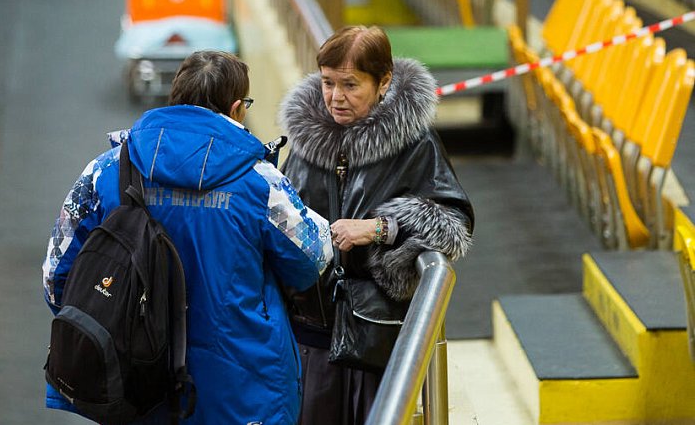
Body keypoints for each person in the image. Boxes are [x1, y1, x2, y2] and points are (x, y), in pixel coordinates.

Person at [41, 50, 334, 424]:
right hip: (242, 391)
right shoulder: (261, 183)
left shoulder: (106, 171)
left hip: (133, 389)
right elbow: (313, 259)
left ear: (174, 99)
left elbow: (55, 277)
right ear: (236, 108)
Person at [278, 25, 475, 424]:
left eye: (350, 85)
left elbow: (452, 223)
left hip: (373, 338)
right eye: (327, 83)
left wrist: (379, 228)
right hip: (308, 335)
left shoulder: (415, 144)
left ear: (384, 82)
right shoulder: (306, 139)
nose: (335, 97)